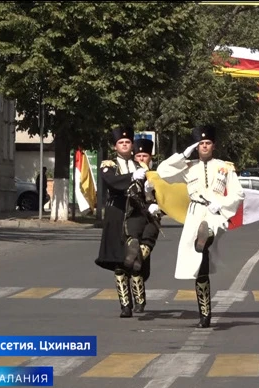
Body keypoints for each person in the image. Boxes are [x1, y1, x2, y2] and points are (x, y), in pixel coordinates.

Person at [155, 125, 244, 328]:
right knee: (200, 267)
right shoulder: (187, 166)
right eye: (201, 144)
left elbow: (238, 194)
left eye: (208, 143)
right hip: (195, 212)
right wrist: (183, 154)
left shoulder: (225, 167)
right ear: (196, 147)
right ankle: (205, 314)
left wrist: (219, 203)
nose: (204, 146)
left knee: (209, 229)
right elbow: (163, 172)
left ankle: (207, 235)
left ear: (214, 145)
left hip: (215, 212)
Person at [94, 125, 150, 318]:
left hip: (135, 212)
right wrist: (131, 177)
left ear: (132, 144)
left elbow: (148, 188)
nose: (125, 145)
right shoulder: (108, 164)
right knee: (119, 262)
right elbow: (110, 181)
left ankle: (140, 297)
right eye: (121, 142)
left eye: (127, 142)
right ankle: (125, 305)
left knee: (135, 260)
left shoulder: (140, 166)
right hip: (116, 213)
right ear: (115, 146)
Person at [118, 137, 163, 313]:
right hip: (135, 216)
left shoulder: (158, 175)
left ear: (150, 157)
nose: (141, 159)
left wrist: (157, 204)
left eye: (145, 155)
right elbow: (124, 193)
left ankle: (139, 298)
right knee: (133, 256)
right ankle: (138, 301)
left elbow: (167, 196)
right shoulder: (132, 175)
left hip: (152, 219)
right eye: (138, 156)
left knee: (144, 250)